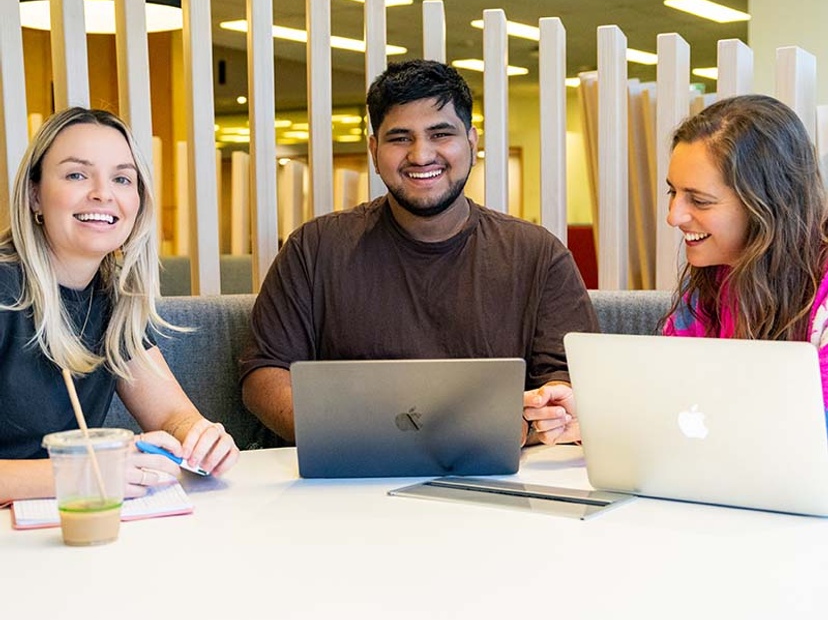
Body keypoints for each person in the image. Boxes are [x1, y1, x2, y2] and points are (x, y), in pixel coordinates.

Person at [241, 59, 598, 447]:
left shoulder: (537, 254)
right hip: (350, 474)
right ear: (374, 150)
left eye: (440, 133)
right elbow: (265, 372)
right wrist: (346, 438)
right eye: (399, 138)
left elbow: (567, 379)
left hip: (492, 475)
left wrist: (537, 420)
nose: (421, 155)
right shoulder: (315, 248)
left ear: (472, 143)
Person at [0, 107, 239, 504]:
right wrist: (84, 474)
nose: (103, 193)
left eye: (122, 179)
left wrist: (202, 437)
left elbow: (171, 416)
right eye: (77, 174)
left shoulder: (111, 299)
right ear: (34, 195)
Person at [663, 94, 828, 409]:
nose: (673, 216)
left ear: (767, 204)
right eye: (673, 191)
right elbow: (673, 399)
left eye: (699, 200)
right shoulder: (703, 291)